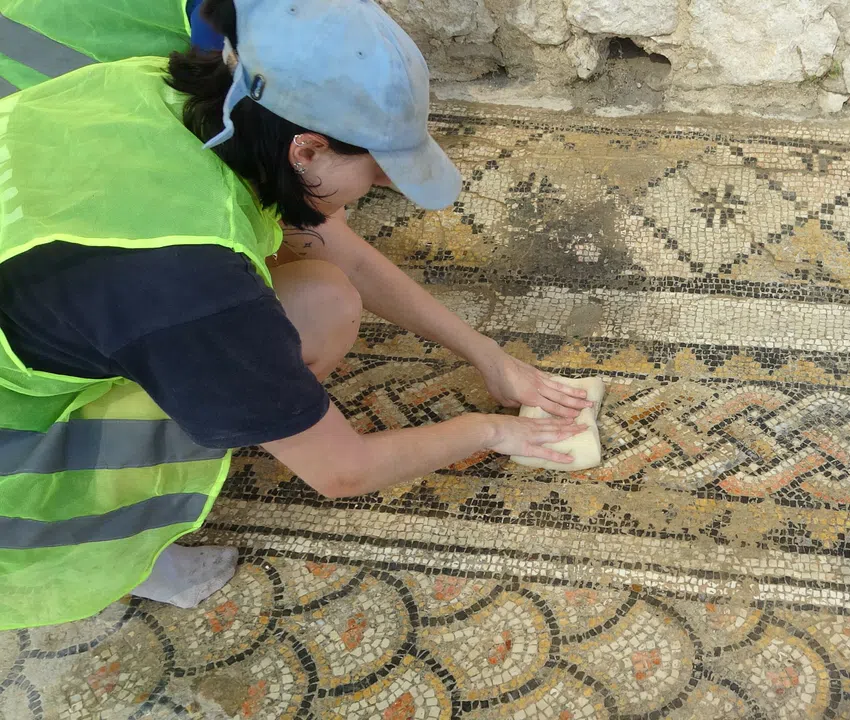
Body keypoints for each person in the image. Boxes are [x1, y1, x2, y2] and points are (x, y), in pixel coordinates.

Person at [0, 0, 590, 629]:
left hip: (65, 290)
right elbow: (342, 472)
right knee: (264, 347)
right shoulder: (192, 288)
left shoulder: (176, 92)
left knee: (321, 296)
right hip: (15, 434)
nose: (385, 186)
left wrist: (485, 354)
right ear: (306, 149)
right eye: (377, 168)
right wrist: (491, 432)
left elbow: (339, 250)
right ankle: (115, 548)